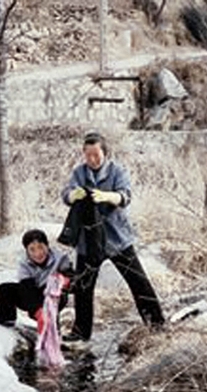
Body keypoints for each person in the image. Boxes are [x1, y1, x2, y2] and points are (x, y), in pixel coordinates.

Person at [61, 131, 165, 342]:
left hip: (116, 239)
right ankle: (81, 332)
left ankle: (157, 325)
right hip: (88, 241)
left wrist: (109, 196)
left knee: (138, 282)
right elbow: (66, 194)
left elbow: (126, 195)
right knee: (83, 287)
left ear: (105, 153)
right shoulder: (79, 173)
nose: (91, 159)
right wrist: (74, 195)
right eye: (87, 155)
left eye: (96, 155)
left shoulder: (117, 171)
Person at [0, 229, 72, 328]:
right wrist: (37, 311)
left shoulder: (60, 258)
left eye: (41, 247)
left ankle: (52, 325)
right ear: (27, 251)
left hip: (53, 295)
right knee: (4, 289)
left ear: (47, 246)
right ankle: (7, 317)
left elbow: (71, 277)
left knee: (52, 289)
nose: (38, 253)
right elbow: (27, 289)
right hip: (33, 292)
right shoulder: (24, 263)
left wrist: (65, 280)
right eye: (32, 249)